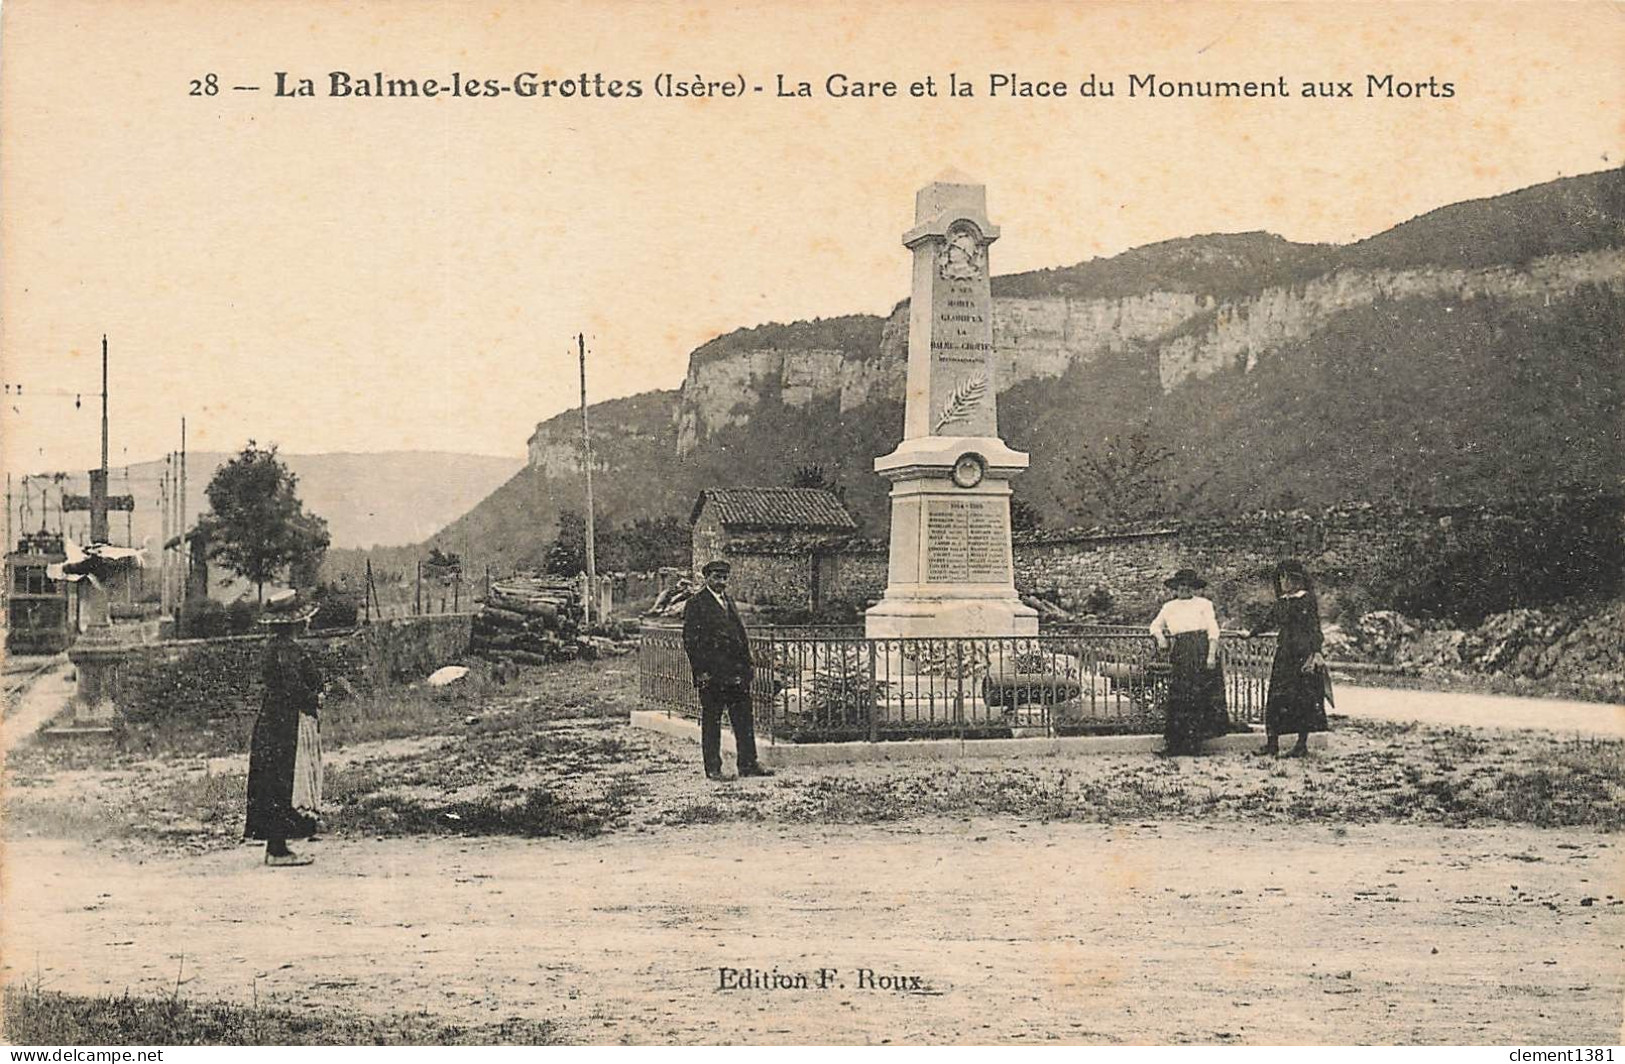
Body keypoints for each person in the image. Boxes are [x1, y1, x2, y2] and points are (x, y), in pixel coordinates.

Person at [245, 589, 324, 866]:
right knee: (283, 781)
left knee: (273, 781)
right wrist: (315, 698)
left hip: (272, 719)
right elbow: (293, 687)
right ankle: (277, 849)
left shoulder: (273, 648)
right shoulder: (289, 650)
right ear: (296, 623)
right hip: (285, 722)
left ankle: (275, 844)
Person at [682, 560, 773, 781]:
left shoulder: (728, 601)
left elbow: (739, 636)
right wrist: (701, 672)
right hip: (712, 675)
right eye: (716, 577)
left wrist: (748, 666)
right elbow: (691, 641)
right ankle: (713, 768)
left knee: (743, 719)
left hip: (736, 673)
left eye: (724, 578)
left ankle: (748, 763)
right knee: (712, 721)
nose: (721, 582)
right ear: (707, 578)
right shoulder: (696, 603)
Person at [1250, 559, 1330, 758]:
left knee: (1303, 699)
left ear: (1296, 580)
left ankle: (1301, 745)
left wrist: (1316, 652)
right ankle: (1272, 743)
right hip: (1284, 654)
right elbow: (1268, 621)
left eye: (1286, 578)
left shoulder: (1306, 600)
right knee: (1277, 698)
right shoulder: (1283, 602)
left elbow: (1314, 628)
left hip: (1302, 656)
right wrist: (1251, 633)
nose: (1283, 582)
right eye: (1281, 577)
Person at [1148, 568, 1229, 755]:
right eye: (1181, 585)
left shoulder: (1204, 604)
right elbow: (1155, 625)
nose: (1184, 588)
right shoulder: (1169, 607)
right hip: (1181, 651)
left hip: (1201, 649)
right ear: (1176, 587)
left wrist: (1211, 655)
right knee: (1179, 696)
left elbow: (1213, 630)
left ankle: (1195, 744)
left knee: (1199, 696)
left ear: (1193, 587)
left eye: (1188, 585)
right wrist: (1161, 638)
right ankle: (1174, 745)